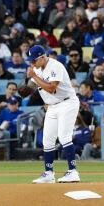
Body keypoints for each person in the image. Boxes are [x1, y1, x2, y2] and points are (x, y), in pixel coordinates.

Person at [25, 45, 81, 183]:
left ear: (43, 57)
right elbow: (29, 88)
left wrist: (33, 76)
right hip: (52, 106)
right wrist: (21, 87)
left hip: (67, 103)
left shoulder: (55, 66)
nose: (32, 63)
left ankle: (73, 172)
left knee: (64, 137)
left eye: (34, 60)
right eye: (31, 61)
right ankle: (49, 173)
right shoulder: (37, 68)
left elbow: (51, 88)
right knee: (47, 140)